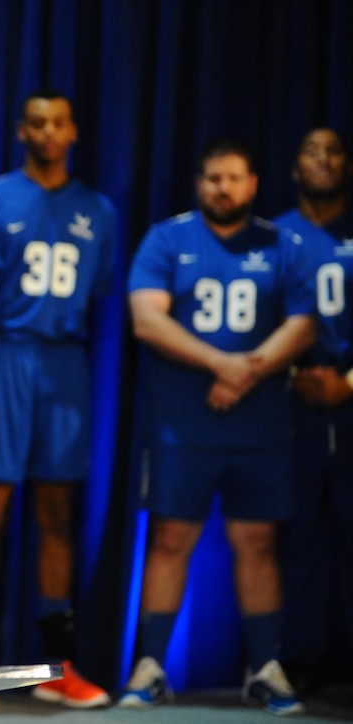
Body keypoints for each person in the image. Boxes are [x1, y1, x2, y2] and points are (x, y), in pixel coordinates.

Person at [121, 138, 314, 716]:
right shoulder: (167, 238)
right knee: (170, 538)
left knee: (256, 542)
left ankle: (265, 666)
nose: (221, 188)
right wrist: (220, 363)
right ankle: (151, 667)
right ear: (199, 183)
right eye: (212, 179)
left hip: (259, 425)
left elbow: (304, 326)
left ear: (253, 184)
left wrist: (247, 371)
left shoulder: (282, 245)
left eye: (232, 178)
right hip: (182, 422)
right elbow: (146, 320)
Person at [0, 89, 116, 709]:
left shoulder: (97, 209)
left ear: (73, 130)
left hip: (65, 363)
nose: (48, 132)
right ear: (21, 131)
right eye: (37, 123)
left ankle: (56, 666)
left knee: (57, 513)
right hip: (7, 357)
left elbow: (99, 295)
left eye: (59, 122)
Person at [273, 128, 353, 696]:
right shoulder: (274, 237)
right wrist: (295, 376)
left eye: (334, 152)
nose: (323, 161)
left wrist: (349, 383)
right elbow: (255, 324)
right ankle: (299, 658)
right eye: (311, 152)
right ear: (295, 167)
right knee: (296, 541)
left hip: (350, 406)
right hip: (291, 410)